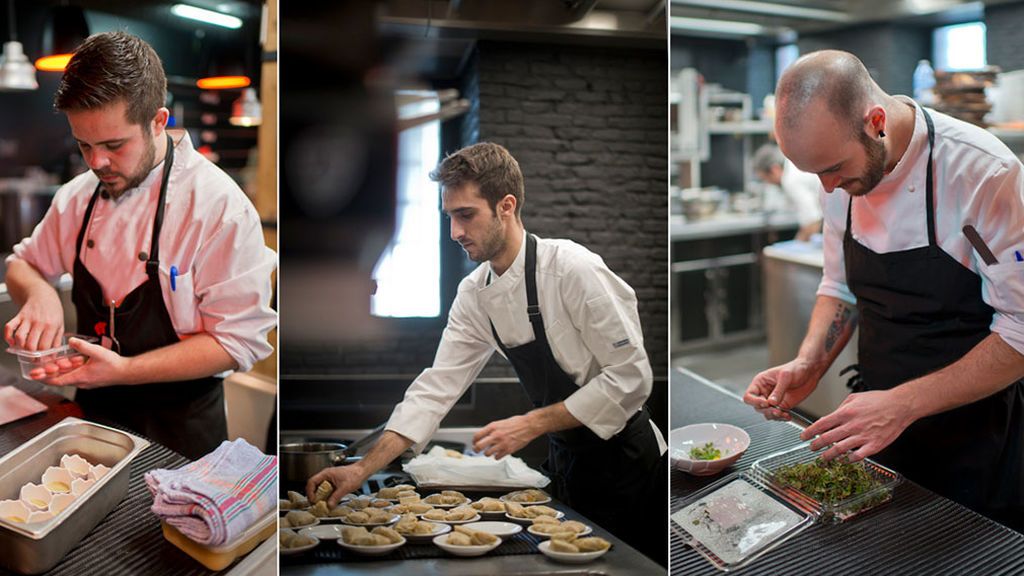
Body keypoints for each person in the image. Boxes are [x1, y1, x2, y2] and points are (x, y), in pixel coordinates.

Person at [308, 142, 667, 561]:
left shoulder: (572, 269)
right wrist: (360, 468)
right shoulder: (475, 294)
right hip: (567, 462)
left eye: (466, 215)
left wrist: (532, 423)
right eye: (450, 217)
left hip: (629, 463)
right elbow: (437, 388)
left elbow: (631, 377)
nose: (455, 232)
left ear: (506, 206)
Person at [743, 50, 1023, 531]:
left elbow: (1021, 330)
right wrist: (809, 363)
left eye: (833, 169)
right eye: (815, 176)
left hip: (977, 437)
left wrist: (903, 405)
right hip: (876, 428)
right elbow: (839, 287)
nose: (828, 190)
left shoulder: (982, 174)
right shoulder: (836, 182)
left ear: (876, 122)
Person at [4, 32, 276, 460]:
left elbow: (236, 343)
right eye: (84, 145)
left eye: (114, 145)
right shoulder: (78, 196)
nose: (96, 163)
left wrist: (126, 371)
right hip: (90, 419)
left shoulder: (218, 207)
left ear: (158, 121)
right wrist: (40, 295)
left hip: (180, 438)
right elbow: (22, 264)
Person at [752, 143, 823, 241]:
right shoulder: (792, 167)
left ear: (775, 169)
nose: (768, 183)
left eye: (766, 178)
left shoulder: (790, 180)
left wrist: (798, 244)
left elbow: (813, 221)